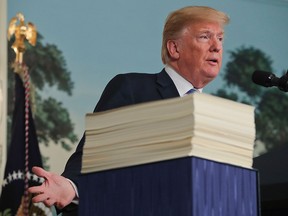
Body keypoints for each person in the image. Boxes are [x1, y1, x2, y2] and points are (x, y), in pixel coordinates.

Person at [28, 5, 230, 215]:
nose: (216, 46)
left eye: (221, 39)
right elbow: (93, 155)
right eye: (205, 37)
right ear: (174, 48)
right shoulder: (133, 89)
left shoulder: (218, 116)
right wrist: (71, 186)